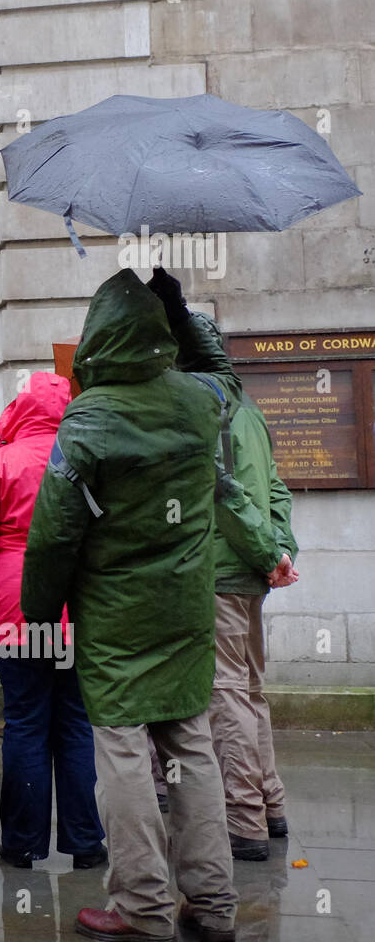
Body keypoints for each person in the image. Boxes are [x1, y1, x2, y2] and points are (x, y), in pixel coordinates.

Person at [22, 269, 281, 942]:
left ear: (100, 336)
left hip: (115, 620)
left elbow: (52, 535)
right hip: (188, 609)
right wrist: (183, 309)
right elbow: (224, 371)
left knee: (125, 757)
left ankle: (142, 905)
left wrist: (39, 614)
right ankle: (215, 902)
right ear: (160, 335)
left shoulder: (90, 419)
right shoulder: (200, 404)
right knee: (193, 747)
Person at [0, 372, 105, 869]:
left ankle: (21, 843)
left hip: (16, 609)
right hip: (77, 608)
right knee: (77, 726)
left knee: (25, 724)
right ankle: (86, 843)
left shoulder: (0, 463)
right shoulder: (87, 462)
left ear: (20, 410)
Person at [175, 313, 300, 860]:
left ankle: (244, 819)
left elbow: (225, 495)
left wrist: (269, 551)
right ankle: (270, 806)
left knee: (227, 694)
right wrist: (279, 549)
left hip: (221, 569)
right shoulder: (247, 406)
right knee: (249, 691)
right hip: (249, 571)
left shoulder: (206, 407)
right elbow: (275, 486)